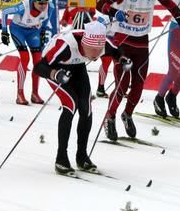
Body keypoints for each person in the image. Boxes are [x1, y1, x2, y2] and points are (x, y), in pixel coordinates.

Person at [96, 0, 180, 141]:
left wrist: (179, 16)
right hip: (122, 41)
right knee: (122, 83)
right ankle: (110, 116)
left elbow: (169, 3)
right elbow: (101, 4)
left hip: (142, 41)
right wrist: (114, 12)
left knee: (138, 85)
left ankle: (127, 114)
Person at [34, 21, 128, 175]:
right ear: (84, 44)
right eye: (92, 50)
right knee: (71, 104)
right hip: (55, 68)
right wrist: (55, 74)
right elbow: (39, 68)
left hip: (77, 67)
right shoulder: (64, 46)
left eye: (99, 51)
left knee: (86, 108)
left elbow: (117, 51)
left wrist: (123, 60)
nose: (96, 55)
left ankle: (82, 156)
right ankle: (61, 158)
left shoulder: (100, 44)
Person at [1, 0, 56, 106]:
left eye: (45, 3)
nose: (43, 6)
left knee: (38, 61)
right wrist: (4, 31)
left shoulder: (50, 7)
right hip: (18, 30)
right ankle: (20, 94)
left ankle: (35, 94)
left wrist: (43, 31)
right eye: (40, 3)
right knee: (25, 58)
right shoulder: (23, 7)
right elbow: (5, 12)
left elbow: (46, 20)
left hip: (33, 31)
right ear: (34, 1)